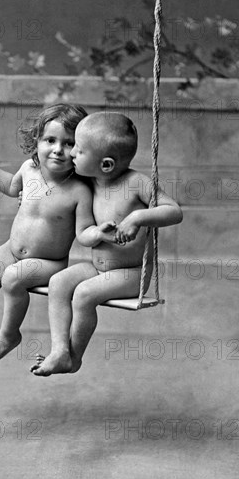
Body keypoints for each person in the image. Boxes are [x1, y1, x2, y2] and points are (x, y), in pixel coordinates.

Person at [31, 112, 183, 376]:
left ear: (106, 165)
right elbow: (53, 181)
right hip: (98, 267)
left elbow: (174, 211)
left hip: (131, 274)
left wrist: (138, 217)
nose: (71, 154)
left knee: (84, 294)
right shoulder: (89, 180)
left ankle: (73, 357)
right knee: (59, 283)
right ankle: (59, 350)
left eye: (78, 149)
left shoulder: (136, 184)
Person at [0, 103, 114, 371]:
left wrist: (99, 234)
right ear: (36, 141)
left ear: (82, 151)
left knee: (13, 278)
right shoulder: (28, 170)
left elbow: (83, 233)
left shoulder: (79, 191)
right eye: (50, 140)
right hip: (11, 250)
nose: (58, 149)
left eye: (69, 144)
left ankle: (9, 334)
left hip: (49, 261)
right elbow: (11, 186)